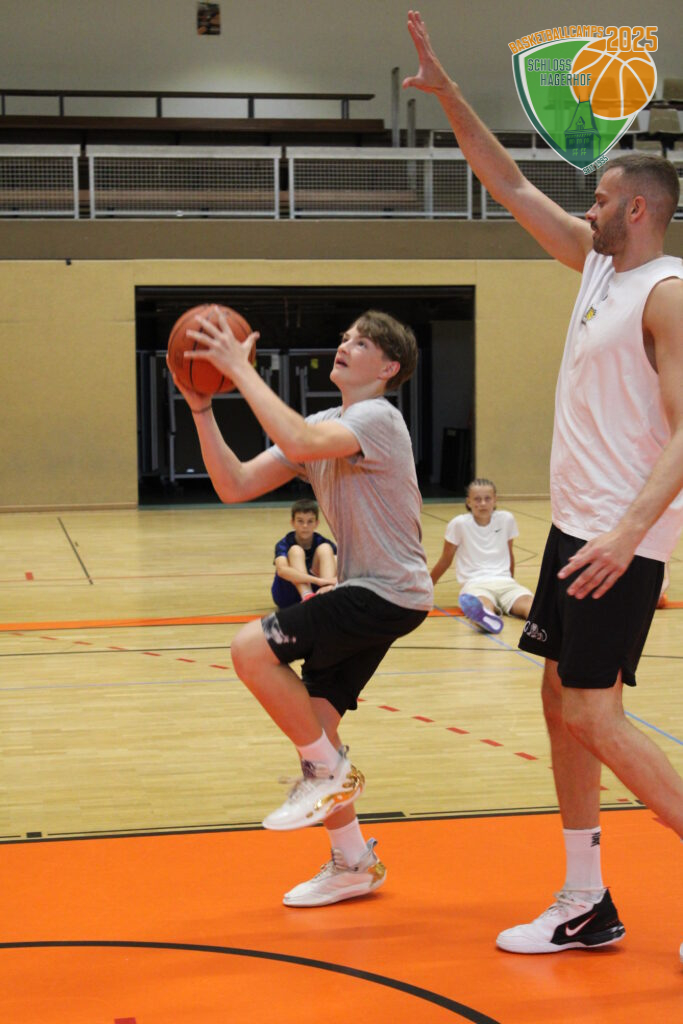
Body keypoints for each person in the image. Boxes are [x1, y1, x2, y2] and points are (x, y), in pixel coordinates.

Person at [405, 10, 683, 958]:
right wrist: (450, 97)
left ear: (636, 208)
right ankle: (583, 898)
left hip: (618, 538)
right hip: (577, 529)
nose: (586, 207)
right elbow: (510, 183)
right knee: (560, 702)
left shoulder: (665, 294)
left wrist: (626, 535)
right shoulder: (597, 271)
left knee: (593, 712)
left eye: (600, 198)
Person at [169, 307, 433, 907]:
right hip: (377, 592)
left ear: (388, 368)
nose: (346, 344)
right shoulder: (320, 425)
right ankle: (353, 863)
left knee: (249, 651)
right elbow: (235, 484)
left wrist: (239, 368)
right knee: (316, 724)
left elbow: (301, 442)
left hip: (384, 590)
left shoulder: (378, 418)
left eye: (362, 342)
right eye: (346, 336)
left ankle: (326, 774)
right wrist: (202, 408)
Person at [430, 477, 533, 633]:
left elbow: (509, 554)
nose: (483, 503)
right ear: (469, 502)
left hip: (505, 582)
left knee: (528, 602)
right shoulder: (458, 524)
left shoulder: (506, 519)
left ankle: (543, 620)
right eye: (477, 499)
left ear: (495, 500)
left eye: (487, 499)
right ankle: (486, 616)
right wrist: (426, 589)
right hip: (475, 583)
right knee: (482, 603)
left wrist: (511, 580)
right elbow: (445, 560)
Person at [271, 497, 337, 609]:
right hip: (287, 594)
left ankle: (327, 594)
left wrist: (330, 582)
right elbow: (282, 570)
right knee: (296, 550)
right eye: (300, 521)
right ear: (292, 522)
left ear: (316, 523)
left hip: (318, 592)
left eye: (310, 521)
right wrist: (318, 580)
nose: (305, 526)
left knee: (326, 549)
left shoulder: (324, 542)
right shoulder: (284, 543)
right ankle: (307, 595)